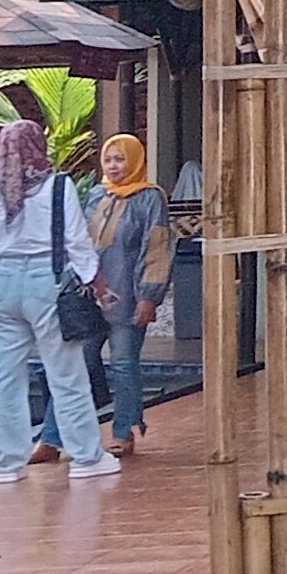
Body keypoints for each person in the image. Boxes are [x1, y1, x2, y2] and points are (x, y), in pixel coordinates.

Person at [0, 116, 111, 482]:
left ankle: (8, 463)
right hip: (47, 282)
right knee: (67, 374)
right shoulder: (58, 187)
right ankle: (86, 457)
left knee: (4, 377)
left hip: (2, 286)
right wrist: (96, 283)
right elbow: (77, 243)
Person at [90, 133, 175, 457]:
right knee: (75, 364)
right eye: (108, 159)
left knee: (123, 364)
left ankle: (123, 431)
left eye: (120, 159)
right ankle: (54, 438)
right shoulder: (96, 195)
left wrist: (148, 296)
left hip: (127, 296)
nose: (113, 166)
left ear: (136, 160)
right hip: (89, 299)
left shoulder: (150, 198)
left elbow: (156, 247)